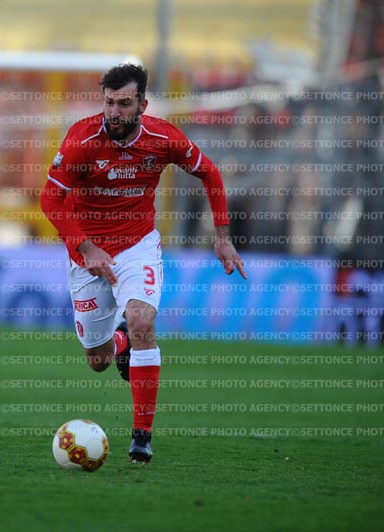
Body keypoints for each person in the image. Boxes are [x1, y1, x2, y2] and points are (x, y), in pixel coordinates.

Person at [40, 63, 246, 463]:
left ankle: (141, 437)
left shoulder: (163, 138)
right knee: (98, 361)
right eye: (109, 103)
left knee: (142, 324)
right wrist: (86, 247)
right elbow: (50, 198)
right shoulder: (82, 138)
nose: (114, 112)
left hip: (137, 247)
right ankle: (119, 343)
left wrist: (222, 238)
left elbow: (210, 173)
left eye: (123, 104)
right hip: (87, 255)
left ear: (142, 105)